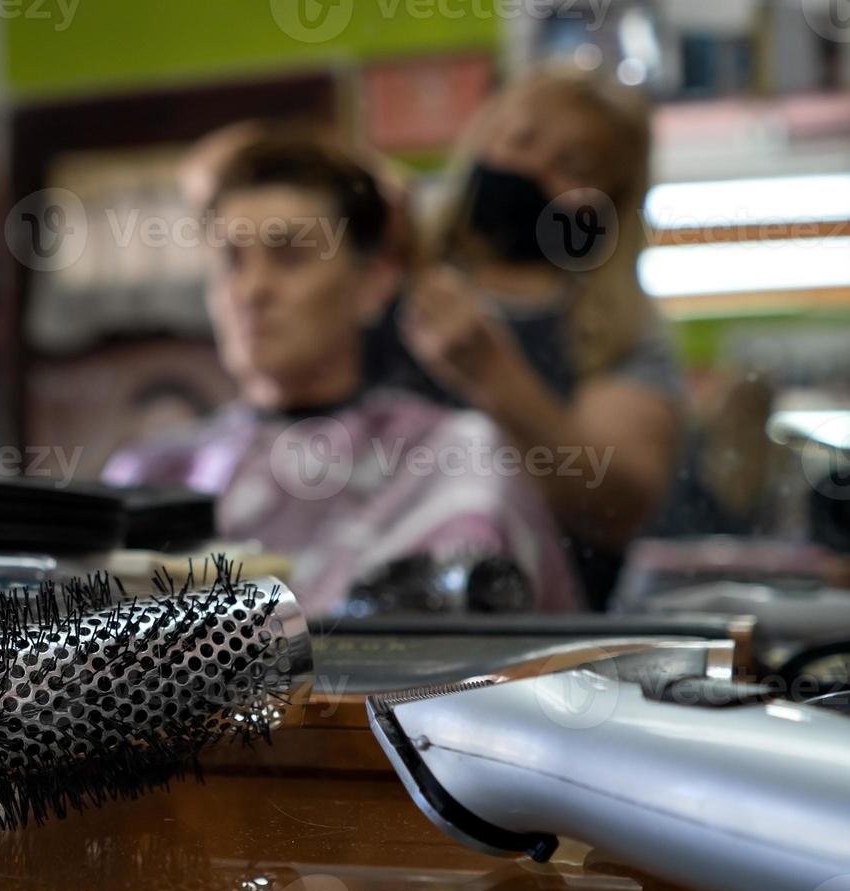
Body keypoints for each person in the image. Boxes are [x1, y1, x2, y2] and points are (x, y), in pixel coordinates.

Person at [103, 137, 581, 613]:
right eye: (231, 261)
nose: (252, 289)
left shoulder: (452, 459)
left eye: (289, 257)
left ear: (373, 282)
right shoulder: (154, 472)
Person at [366, 66, 683, 607]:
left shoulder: (619, 333)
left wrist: (491, 373)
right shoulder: (386, 282)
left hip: (543, 638)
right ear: (484, 136)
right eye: (522, 139)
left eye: (572, 165)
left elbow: (614, 506)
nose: (532, 168)